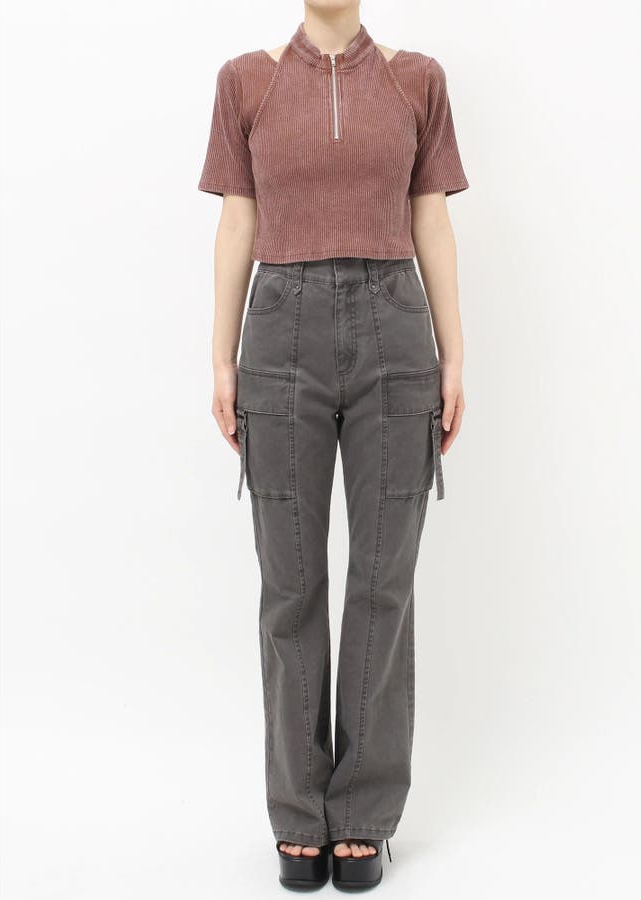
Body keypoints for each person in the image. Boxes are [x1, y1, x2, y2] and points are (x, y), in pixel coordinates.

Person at [198, 3, 469, 890]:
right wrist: (222, 359)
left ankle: (362, 814)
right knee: (290, 584)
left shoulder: (415, 78)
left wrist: (455, 356)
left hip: (397, 329)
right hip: (280, 332)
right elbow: (237, 223)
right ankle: (298, 813)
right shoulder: (247, 80)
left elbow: (431, 220)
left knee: (383, 579)